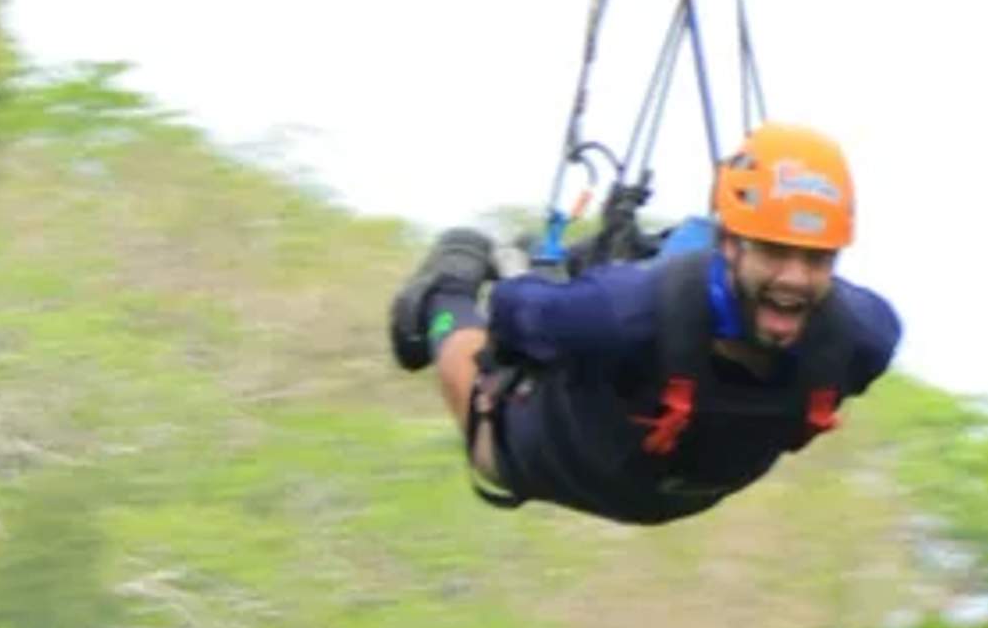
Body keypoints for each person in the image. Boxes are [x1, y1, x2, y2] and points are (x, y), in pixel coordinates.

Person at [386, 125, 900, 526]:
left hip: (685, 489)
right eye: (774, 252)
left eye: (816, 260)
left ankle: (629, 254)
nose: (795, 278)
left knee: (649, 276)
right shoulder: (626, 314)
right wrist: (526, 278)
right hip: (557, 455)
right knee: (487, 411)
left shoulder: (863, 338)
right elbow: (512, 311)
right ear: (730, 243)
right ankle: (446, 289)